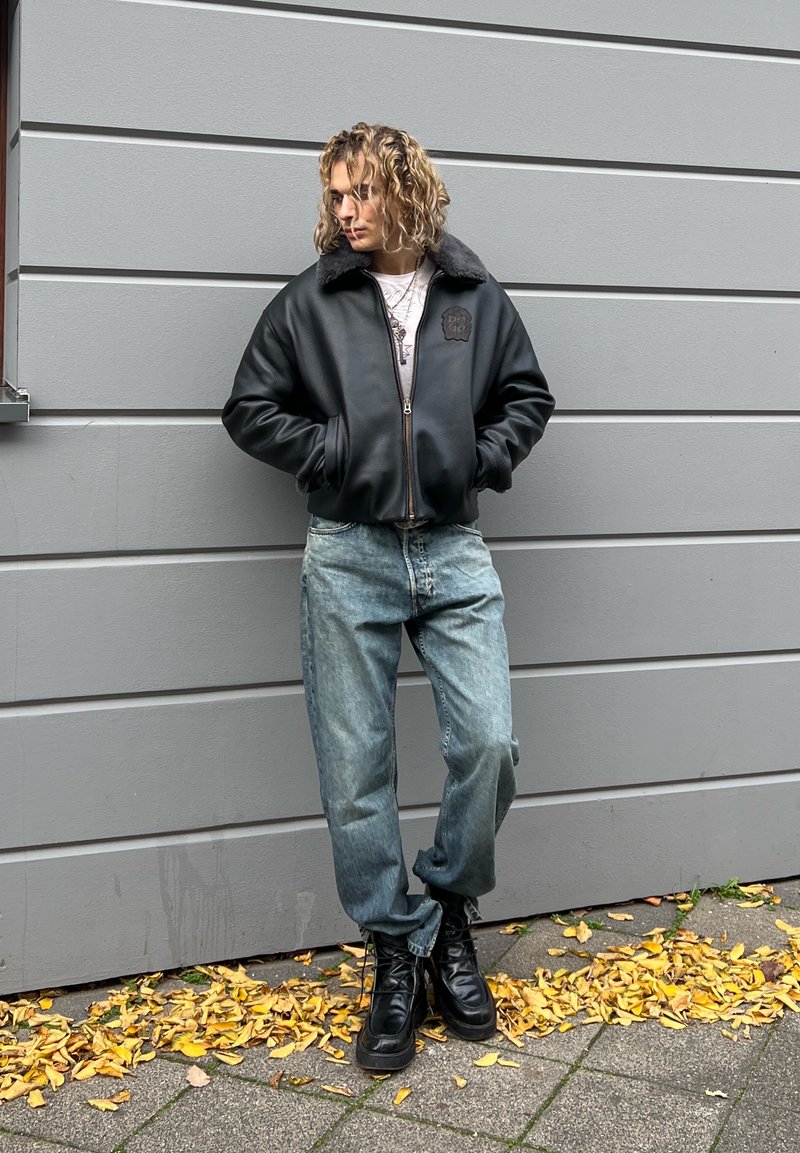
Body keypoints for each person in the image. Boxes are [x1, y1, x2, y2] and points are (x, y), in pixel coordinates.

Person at [222, 122, 555, 1072]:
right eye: (333, 195)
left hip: (451, 549)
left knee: (488, 741)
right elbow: (250, 407)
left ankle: (449, 905)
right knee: (355, 767)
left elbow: (527, 396)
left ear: (406, 190)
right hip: (349, 550)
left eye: (360, 192)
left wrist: (471, 464)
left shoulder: (474, 296)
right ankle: (398, 948)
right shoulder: (311, 299)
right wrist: (333, 453)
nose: (343, 210)